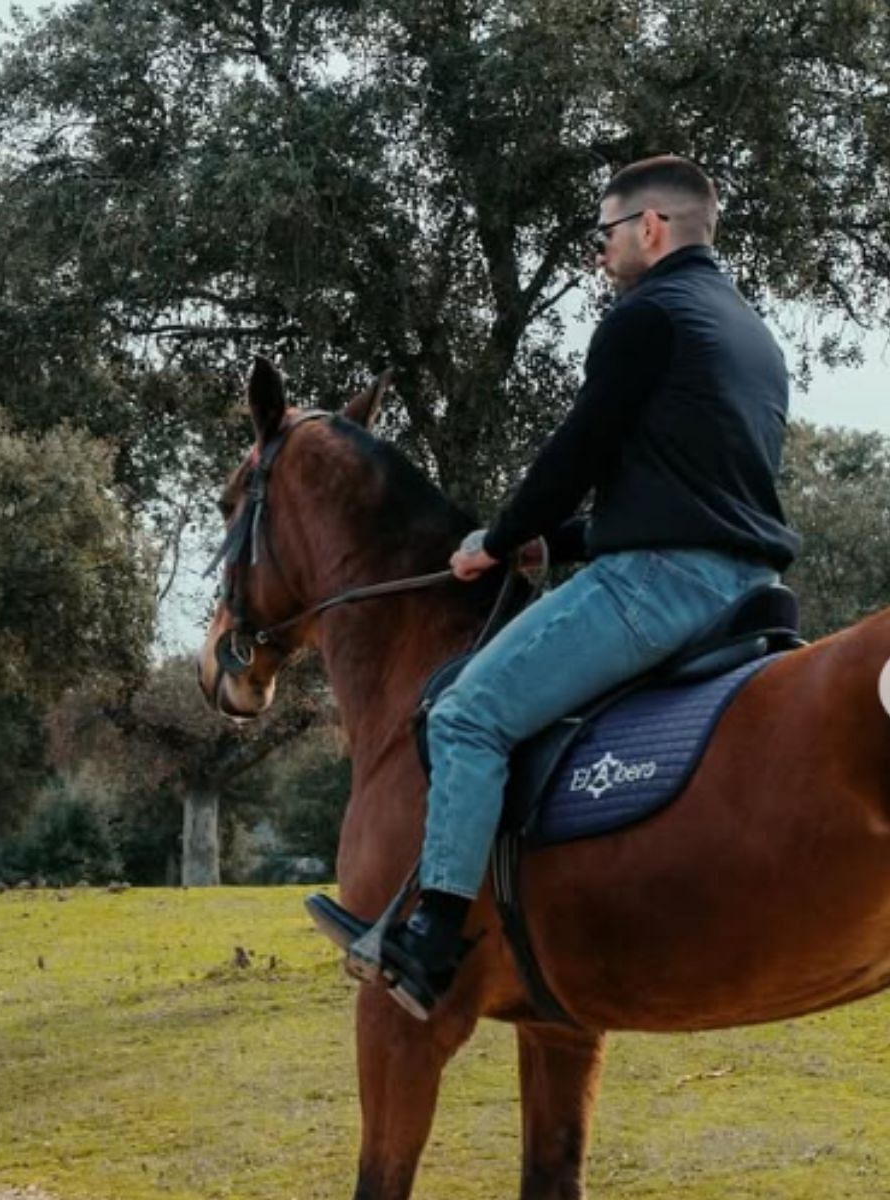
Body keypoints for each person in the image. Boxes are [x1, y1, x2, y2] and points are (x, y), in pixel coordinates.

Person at [325, 156, 799, 1019]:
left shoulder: (644, 317)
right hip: (748, 586)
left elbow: (577, 454)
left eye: (605, 234)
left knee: (467, 712)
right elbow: (693, 494)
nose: (601, 255)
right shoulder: (752, 337)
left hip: (658, 588)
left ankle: (430, 941)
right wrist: (554, 546)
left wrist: (498, 539)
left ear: (649, 227)